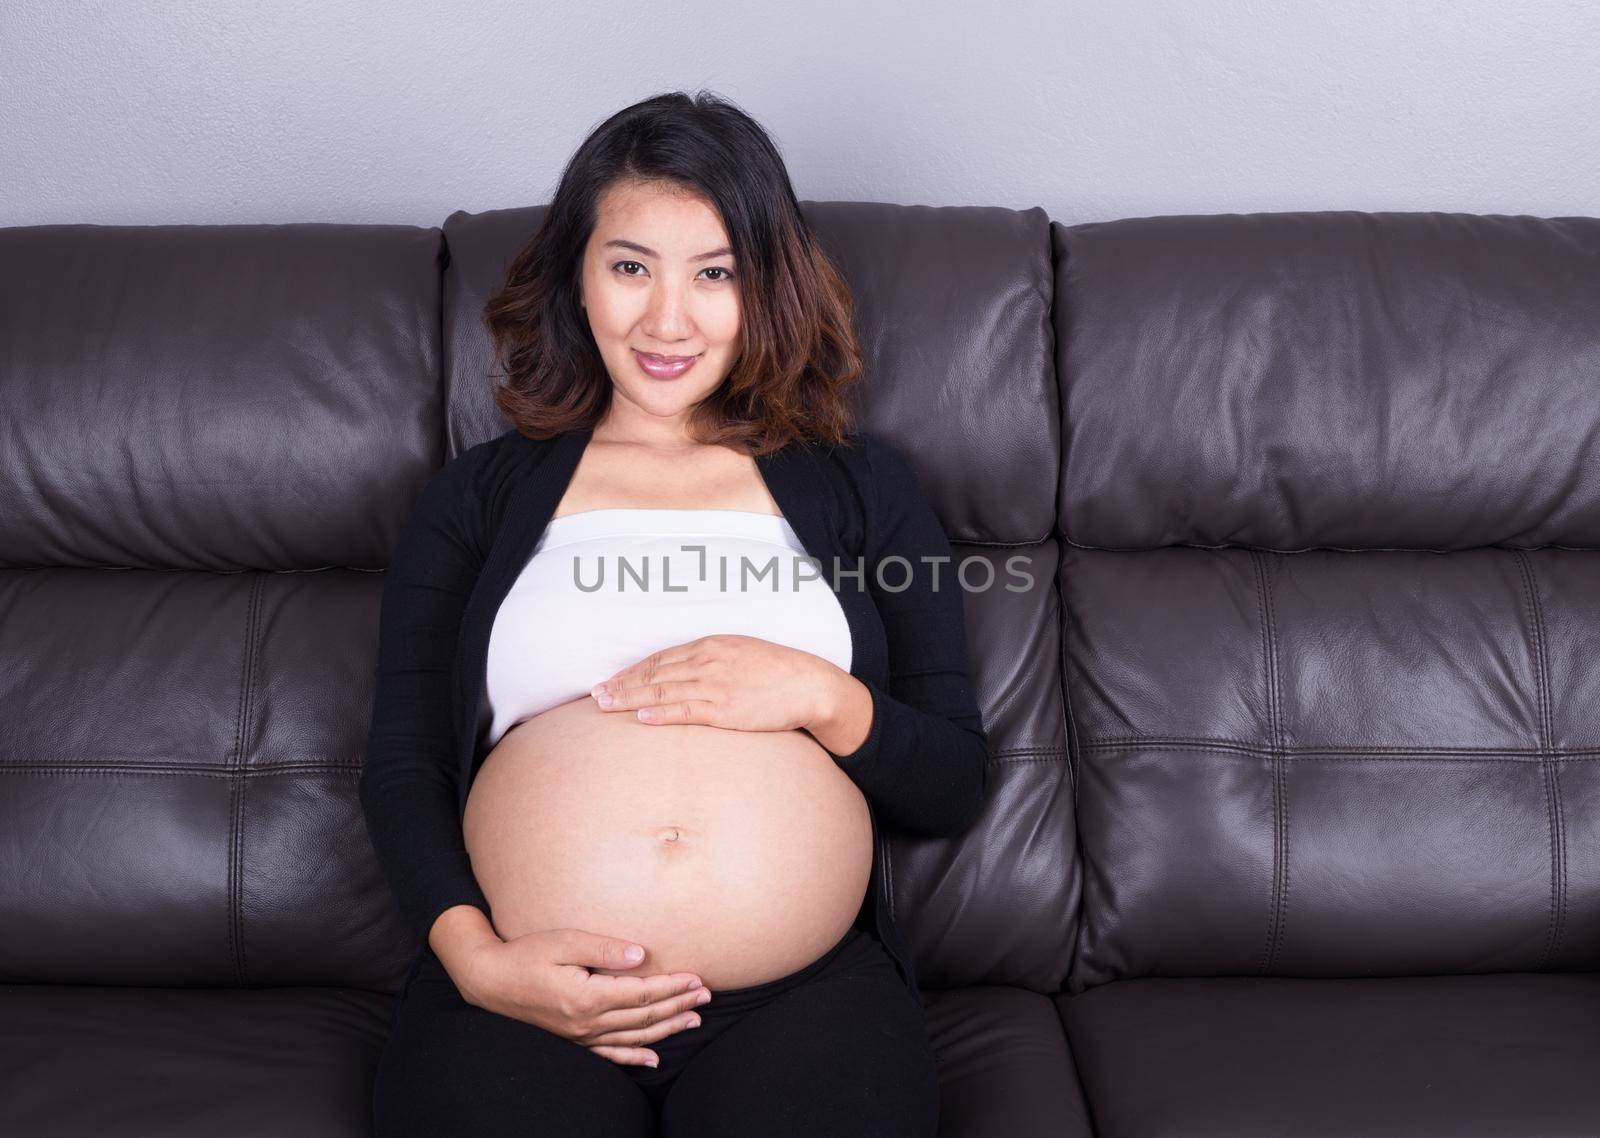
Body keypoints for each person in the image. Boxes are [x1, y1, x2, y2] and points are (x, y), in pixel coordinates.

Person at [362, 89, 988, 1137]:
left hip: (803, 1003)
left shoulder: (864, 488)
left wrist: (816, 696)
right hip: (522, 998)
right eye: (629, 266)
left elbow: (953, 779)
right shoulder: (479, 497)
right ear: (578, 273)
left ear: (767, 288)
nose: (666, 320)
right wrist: (479, 963)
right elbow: (404, 767)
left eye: (715, 273)